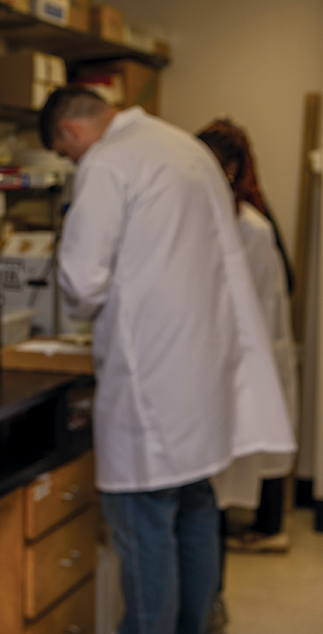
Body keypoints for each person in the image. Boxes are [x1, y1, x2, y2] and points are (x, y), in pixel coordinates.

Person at [39, 87, 295, 634]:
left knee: (145, 520)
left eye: (67, 155)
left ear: (71, 133)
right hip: (204, 386)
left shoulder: (108, 161)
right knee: (196, 514)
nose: (74, 161)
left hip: (150, 387)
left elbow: (82, 284)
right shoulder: (185, 148)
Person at [198, 118, 298, 551]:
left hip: (247, 355)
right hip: (223, 357)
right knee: (224, 469)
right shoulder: (211, 216)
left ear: (233, 169)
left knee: (245, 455)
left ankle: (266, 528)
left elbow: (254, 304)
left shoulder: (252, 227)